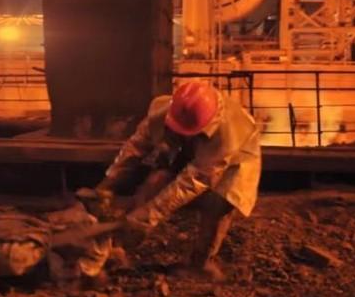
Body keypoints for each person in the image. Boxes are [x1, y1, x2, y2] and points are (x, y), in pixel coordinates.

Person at [94, 81, 262, 280]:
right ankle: (119, 247)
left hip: (236, 160)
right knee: (157, 179)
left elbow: (193, 181)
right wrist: (109, 182)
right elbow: (137, 145)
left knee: (219, 203)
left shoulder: (227, 136)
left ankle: (201, 264)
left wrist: (148, 216)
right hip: (192, 147)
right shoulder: (172, 111)